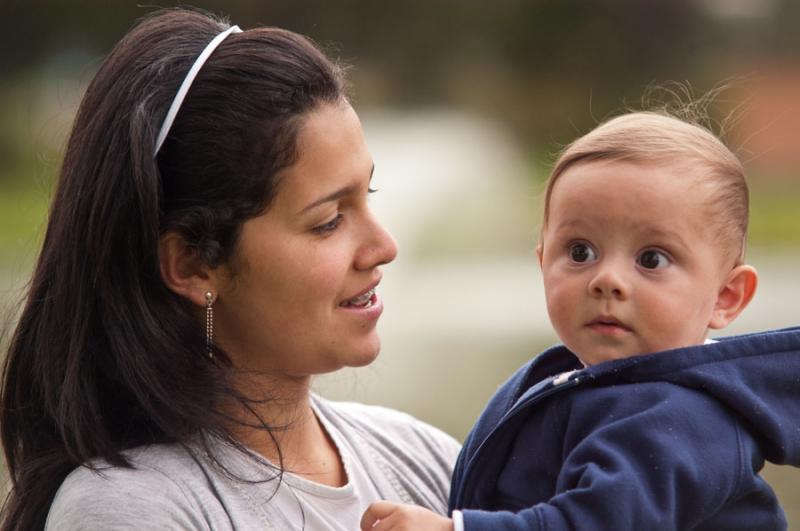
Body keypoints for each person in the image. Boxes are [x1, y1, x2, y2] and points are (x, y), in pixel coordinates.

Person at [0, 8, 460, 531]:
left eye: (368, 195)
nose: (384, 246)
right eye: (329, 221)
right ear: (195, 265)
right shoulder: (130, 509)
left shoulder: (425, 458)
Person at [359, 111, 800, 530]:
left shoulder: (684, 420)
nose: (607, 280)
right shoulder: (573, 379)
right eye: (580, 252)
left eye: (651, 258)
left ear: (726, 296)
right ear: (542, 262)